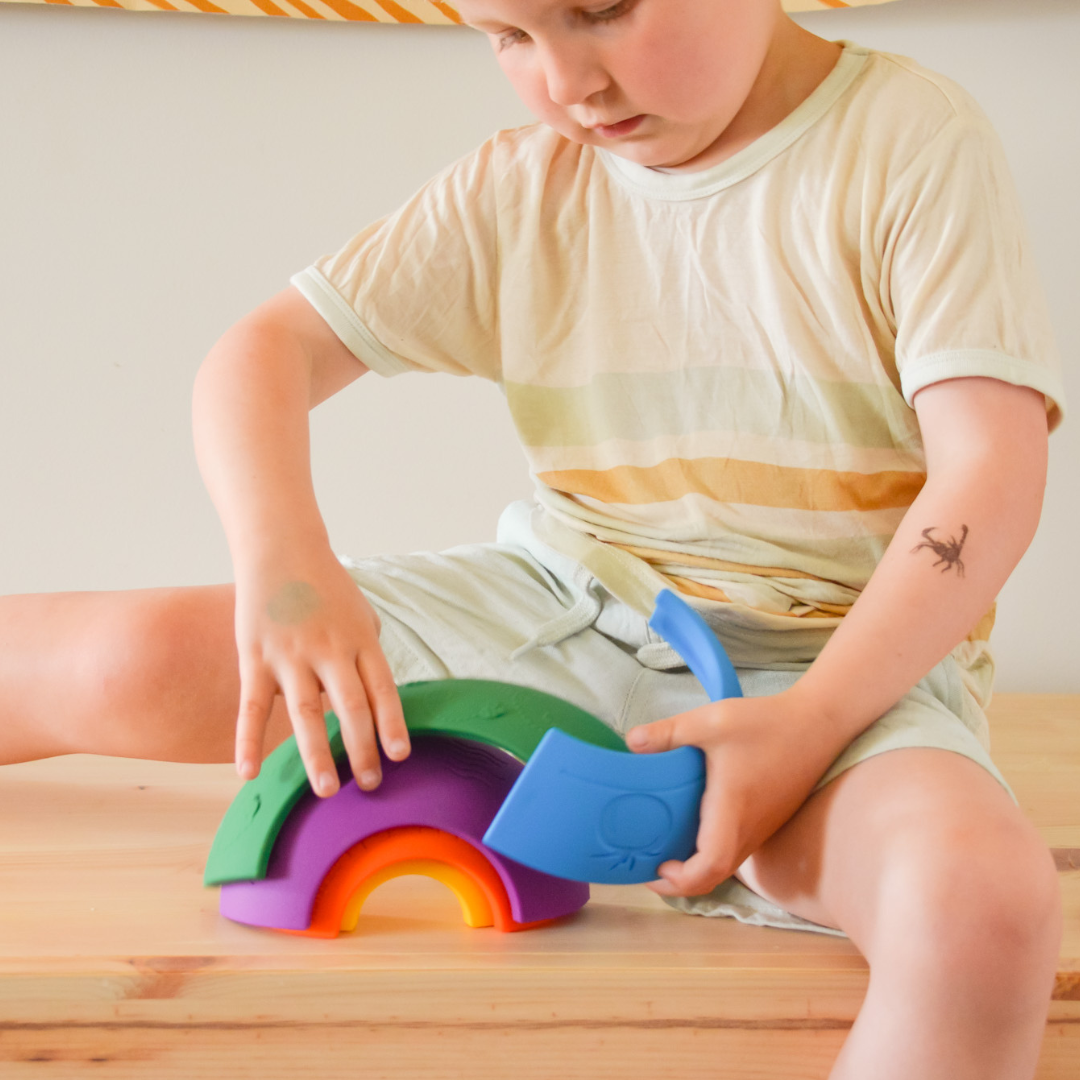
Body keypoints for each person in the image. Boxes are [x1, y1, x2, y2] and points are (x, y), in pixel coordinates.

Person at [0, 1, 1068, 1076]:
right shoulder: (527, 181)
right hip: (558, 615)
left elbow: (991, 469)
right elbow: (262, 354)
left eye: (601, 9)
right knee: (121, 661)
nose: (566, 81)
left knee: (983, 908)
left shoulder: (912, 142)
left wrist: (812, 721)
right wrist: (286, 571)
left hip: (839, 674)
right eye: (507, 36)